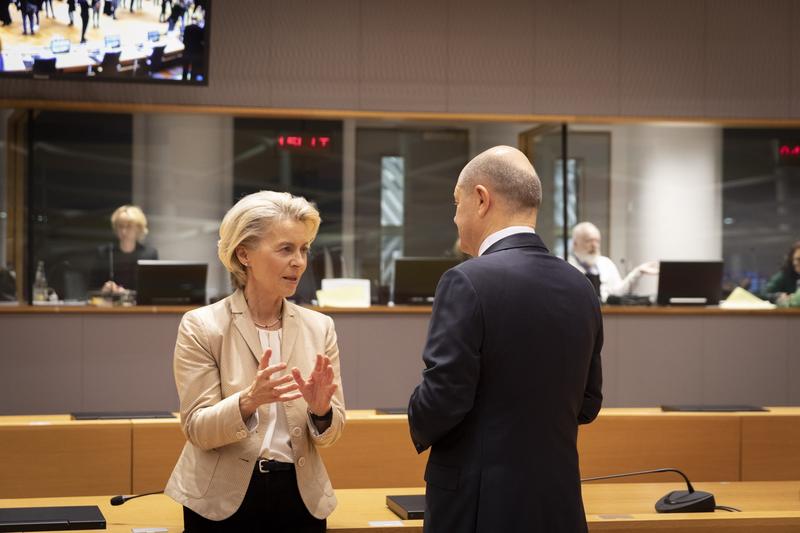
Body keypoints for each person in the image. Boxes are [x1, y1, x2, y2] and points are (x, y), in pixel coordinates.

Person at [408, 146, 603, 533]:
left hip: (478, 508)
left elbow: (443, 399)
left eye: (456, 201)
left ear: (481, 199)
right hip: (558, 503)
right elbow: (588, 404)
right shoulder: (581, 287)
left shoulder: (465, 280)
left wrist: (416, 413)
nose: (454, 216)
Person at [165, 191, 345, 532]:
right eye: (286, 249)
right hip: (221, 501)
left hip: (300, 497)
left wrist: (322, 413)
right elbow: (197, 429)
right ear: (244, 254)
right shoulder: (202, 325)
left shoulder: (320, 327)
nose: (299, 261)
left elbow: (331, 435)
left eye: (304, 249)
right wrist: (248, 401)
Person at [568, 221, 658, 303]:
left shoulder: (606, 263)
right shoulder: (566, 265)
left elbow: (619, 293)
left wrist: (638, 272)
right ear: (575, 243)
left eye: (597, 241)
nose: (594, 245)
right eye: (589, 241)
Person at [91, 205, 158, 293]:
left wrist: (127, 293)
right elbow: (91, 289)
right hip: (111, 304)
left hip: (138, 305)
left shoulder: (149, 254)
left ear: (138, 228)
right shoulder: (105, 253)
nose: (124, 231)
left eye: (129, 226)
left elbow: (154, 288)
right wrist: (103, 290)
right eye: (120, 226)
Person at [765, 240, 800, 306]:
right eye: (795, 259)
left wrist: (787, 300)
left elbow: (793, 303)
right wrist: (778, 296)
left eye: (799, 259)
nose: (795, 263)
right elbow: (765, 293)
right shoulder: (784, 275)